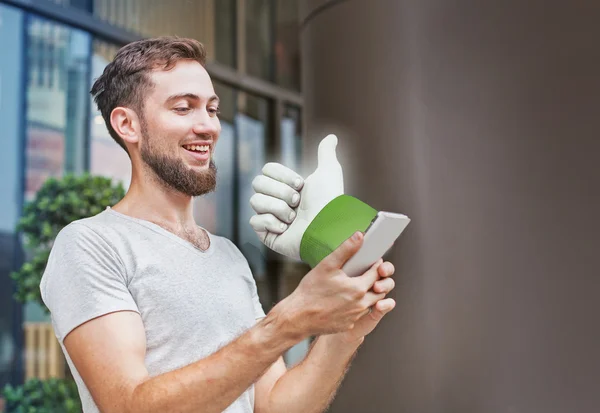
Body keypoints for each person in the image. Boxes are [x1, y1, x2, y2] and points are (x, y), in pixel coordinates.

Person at [40, 36, 397, 413]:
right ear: (128, 124)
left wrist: (345, 329)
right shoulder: (91, 244)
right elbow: (129, 405)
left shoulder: (229, 257)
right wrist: (288, 321)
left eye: (212, 109)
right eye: (183, 108)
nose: (208, 126)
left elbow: (277, 405)